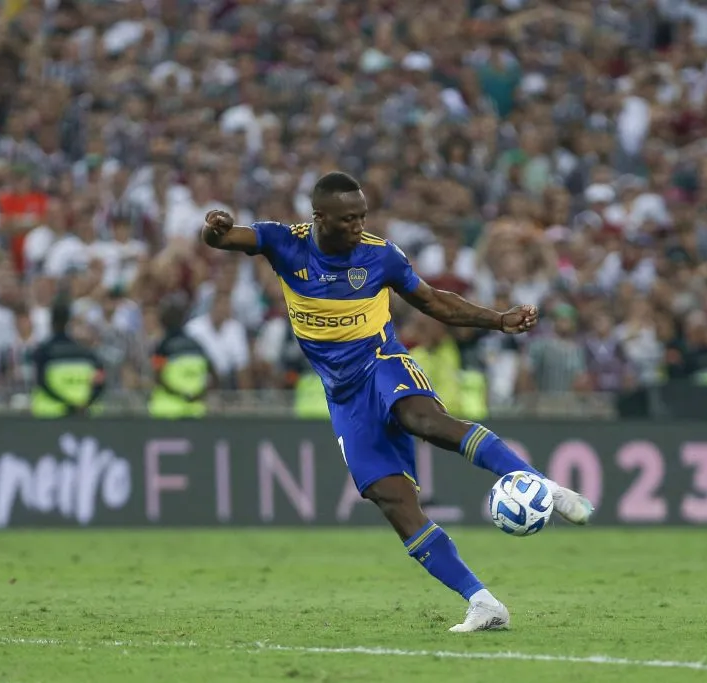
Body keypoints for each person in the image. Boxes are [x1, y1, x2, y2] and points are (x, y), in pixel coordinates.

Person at [200, 171, 594, 633]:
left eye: (362, 216)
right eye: (347, 219)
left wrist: (498, 320)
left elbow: (434, 302)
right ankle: (483, 602)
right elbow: (226, 238)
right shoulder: (285, 242)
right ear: (320, 217)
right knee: (394, 502)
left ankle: (542, 485)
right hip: (343, 395)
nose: (358, 226)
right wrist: (215, 229)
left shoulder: (380, 255)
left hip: (381, 361)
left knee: (422, 419)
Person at [31, 296, 105, 418]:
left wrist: (67, 404)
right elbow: (100, 381)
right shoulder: (87, 353)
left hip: (51, 414)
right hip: (85, 415)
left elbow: (41, 382)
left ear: (51, 322)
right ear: (69, 322)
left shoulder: (43, 352)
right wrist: (84, 403)